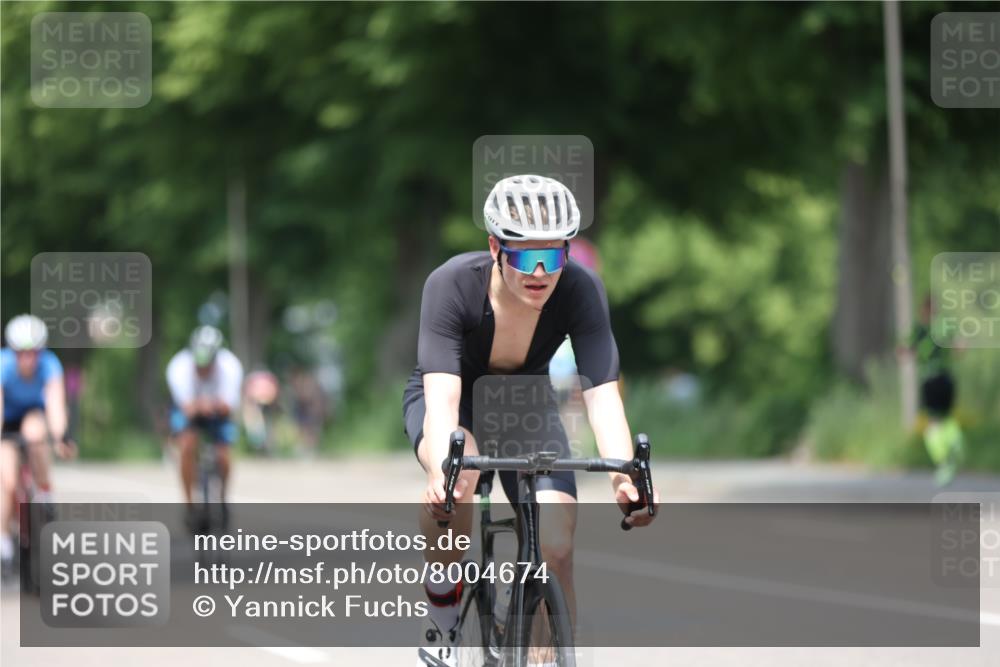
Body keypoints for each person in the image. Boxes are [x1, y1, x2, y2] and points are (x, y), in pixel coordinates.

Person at [403, 175, 660, 666]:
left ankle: (543, 646)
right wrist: (441, 469)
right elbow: (442, 399)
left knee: (556, 546)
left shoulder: (580, 289)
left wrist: (626, 477)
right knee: (459, 480)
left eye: (553, 255)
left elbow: (603, 396)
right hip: (455, 400)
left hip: (525, 405)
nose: (540, 271)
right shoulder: (451, 284)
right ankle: (442, 607)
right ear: (494, 248)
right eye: (524, 257)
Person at [1, 315, 76, 573]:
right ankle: (4, 544)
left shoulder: (50, 364)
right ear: (13, 352)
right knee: (6, 481)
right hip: (7, 421)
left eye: (34, 352)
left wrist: (61, 436)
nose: (28, 359)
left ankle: (44, 492)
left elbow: (55, 404)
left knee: (35, 435)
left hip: (34, 414)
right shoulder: (3, 365)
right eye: (21, 353)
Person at [166, 325, 243, 528]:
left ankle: (223, 498)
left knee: (224, 453)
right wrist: (203, 405)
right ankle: (190, 505)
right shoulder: (178, 367)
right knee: (186, 446)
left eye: (207, 365)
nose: (203, 369)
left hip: (218, 412)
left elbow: (228, 406)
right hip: (190, 412)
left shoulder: (230, 366)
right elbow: (186, 408)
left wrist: (210, 405)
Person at [905, 297, 964, 486]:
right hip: (946, 378)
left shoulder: (920, 330)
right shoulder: (945, 327)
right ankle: (955, 440)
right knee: (947, 417)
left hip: (930, 378)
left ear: (924, 310)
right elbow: (960, 348)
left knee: (932, 422)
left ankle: (943, 461)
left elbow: (905, 351)